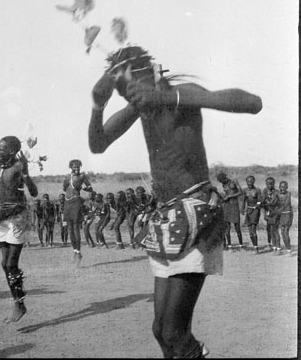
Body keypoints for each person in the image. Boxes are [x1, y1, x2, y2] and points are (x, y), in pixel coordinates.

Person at [88, 45, 262, 358]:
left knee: (174, 331)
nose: (128, 97)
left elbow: (253, 103)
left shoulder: (182, 94)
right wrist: (97, 107)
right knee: (161, 330)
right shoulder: (140, 108)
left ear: (150, 73)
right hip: (168, 220)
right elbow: (98, 144)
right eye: (122, 92)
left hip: (197, 214)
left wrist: (168, 98)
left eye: (129, 87)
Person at [0, 135, 38, 322]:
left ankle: (19, 304)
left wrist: (26, 173)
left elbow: (34, 192)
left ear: (12, 151)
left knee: (11, 264)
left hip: (18, 216)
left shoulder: (18, 167)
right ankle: (18, 302)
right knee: (5, 264)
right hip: (3, 216)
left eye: (2, 149)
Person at [62, 159, 93, 265]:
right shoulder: (67, 176)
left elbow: (90, 187)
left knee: (75, 228)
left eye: (78, 167)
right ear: (71, 167)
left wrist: (83, 188)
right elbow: (64, 188)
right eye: (74, 167)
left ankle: (79, 252)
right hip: (67, 203)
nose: (76, 169)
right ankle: (75, 251)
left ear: (80, 167)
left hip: (76, 202)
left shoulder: (82, 176)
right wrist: (67, 185)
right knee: (69, 229)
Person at [217, 172, 244, 250]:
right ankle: (229, 246)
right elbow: (226, 193)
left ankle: (241, 245)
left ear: (225, 178)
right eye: (221, 182)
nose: (222, 182)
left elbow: (240, 192)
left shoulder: (234, 182)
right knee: (227, 227)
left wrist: (229, 196)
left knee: (237, 227)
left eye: (222, 180)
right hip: (226, 206)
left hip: (234, 205)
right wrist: (223, 198)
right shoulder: (224, 184)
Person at [241, 176, 262, 254]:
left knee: (253, 229)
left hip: (255, 210)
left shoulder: (257, 190)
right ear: (246, 181)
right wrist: (242, 209)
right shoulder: (245, 190)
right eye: (248, 181)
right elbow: (243, 200)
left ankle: (256, 248)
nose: (250, 182)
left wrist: (255, 207)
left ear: (254, 181)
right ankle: (254, 246)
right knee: (250, 231)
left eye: (251, 181)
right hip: (248, 210)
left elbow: (259, 201)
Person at [261, 177, 281, 255]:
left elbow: (275, 203)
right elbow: (262, 202)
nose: (270, 185)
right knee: (271, 231)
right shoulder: (264, 191)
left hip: (275, 213)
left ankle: (278, 248)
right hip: (268, 213)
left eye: (271, 183)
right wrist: (264, 213)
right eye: (268, 183)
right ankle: (274, 247)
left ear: (274, 183)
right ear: (266, 184)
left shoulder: (277, 192)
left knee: (275, 230)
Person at [277, 181, 293, 255]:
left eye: (284, 187)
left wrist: (276, 210)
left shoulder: (288, 194)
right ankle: (287, 249)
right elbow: (274, 202)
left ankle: (289, 250)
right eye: (281, 187)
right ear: (279, 187)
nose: (282, 188)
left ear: (287, 187)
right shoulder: (278, 194)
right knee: (282, 233)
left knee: (285, 232)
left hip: (287, 215)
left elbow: (286, 204)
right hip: (281, 215)